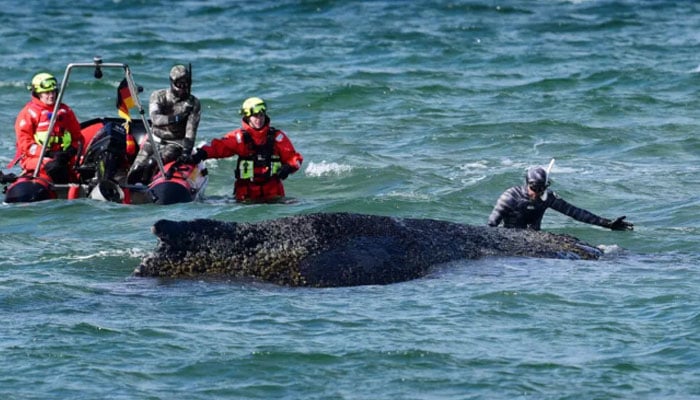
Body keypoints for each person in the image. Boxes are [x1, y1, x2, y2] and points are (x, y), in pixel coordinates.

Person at [182, 97, 303, 203]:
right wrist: (201, 153)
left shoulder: (277, 137)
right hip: (246, 196)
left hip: (273, 194)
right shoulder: (239, 138)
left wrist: (288, 167)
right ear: (247, 117)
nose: (259, 119)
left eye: (261, 115)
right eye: (255, 116)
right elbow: (219, 147)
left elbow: (295, 159)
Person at [488, 165, 633, 231]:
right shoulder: (510, 196)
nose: (537, 193)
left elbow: (575, 212)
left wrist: (607, 224)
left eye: (541, 189)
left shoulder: (547, 197)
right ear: (527, 184)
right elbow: (492, 224)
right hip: (510, 236)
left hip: (534, 238)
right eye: (534, 188)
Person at [127, 64, 201, 184]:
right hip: (153, 140)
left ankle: (147, 191)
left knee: (152, 163)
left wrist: (186, 152)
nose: (183, 88)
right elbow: (156, 119)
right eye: (179, 84)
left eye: (186, 84)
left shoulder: (193, 103)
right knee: (136, 169)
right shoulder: (158, 96)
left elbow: (190, 130)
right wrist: (177, 118)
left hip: (175, 144)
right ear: (172, 83)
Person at [11, 72, 84, 184]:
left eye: (53, 91)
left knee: (87, 165)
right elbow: (25, 144)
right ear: (38, 94)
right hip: (36, 157)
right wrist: (48, 154)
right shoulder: (29, 113)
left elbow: (77, 137)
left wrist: (69, 152)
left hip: (63, 155)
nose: (51, 95)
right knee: (55, 166)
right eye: (47, 92)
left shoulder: (65, 111)